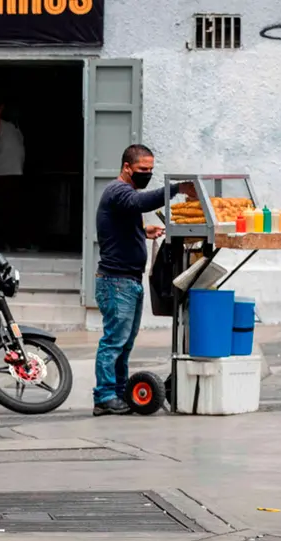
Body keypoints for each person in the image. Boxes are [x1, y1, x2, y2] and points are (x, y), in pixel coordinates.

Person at [93, 144, 193, 416]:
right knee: (114, 341)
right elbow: (139, 203)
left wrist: (141, 229)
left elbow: (121, 221)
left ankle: (120, 392)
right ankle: (103, 396)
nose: (147, 174)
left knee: (125, 343)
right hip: (116, 281)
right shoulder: (118, 191)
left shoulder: (125, 194)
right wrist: (176, 189)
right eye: (142, 170)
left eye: (150, 170)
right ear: (127, 167)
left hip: (129, 280)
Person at [0, 101, 26, 250]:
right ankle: (4, 242)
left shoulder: (14, 128)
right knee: (5, 210)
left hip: (14, 173)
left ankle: (12, 242)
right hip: (4, 173)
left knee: (11, 210)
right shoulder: (2, 125)